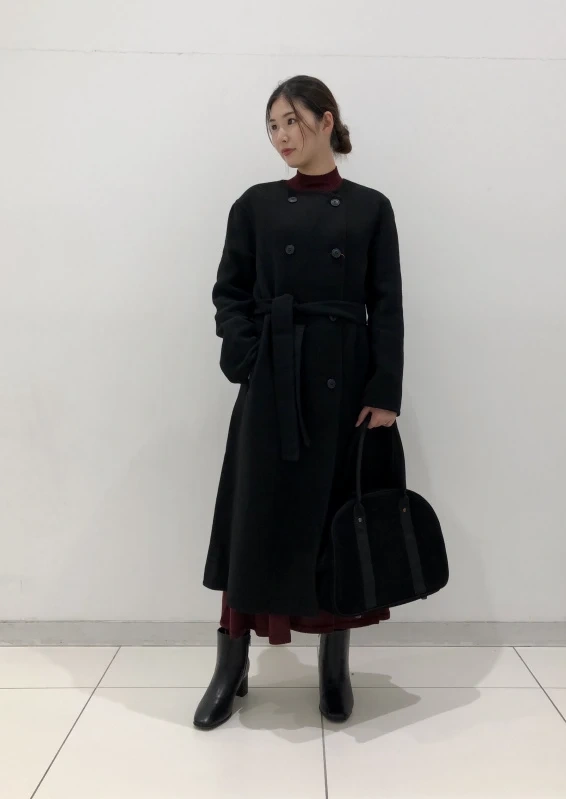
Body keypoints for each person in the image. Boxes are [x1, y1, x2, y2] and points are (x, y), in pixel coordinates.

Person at [194, 75, 404, 730]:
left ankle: (334, 666)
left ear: (325, 120)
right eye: (272, 126)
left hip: (343, 384)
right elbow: (229, 293)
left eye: (291, 121)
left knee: (334, 523)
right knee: (253, 520)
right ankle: (231, 664)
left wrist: (385, 390)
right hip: (274, 382)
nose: (281, 136)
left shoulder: (371, 208)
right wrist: (251, 355)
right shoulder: (254, 205)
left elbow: (388, 304)